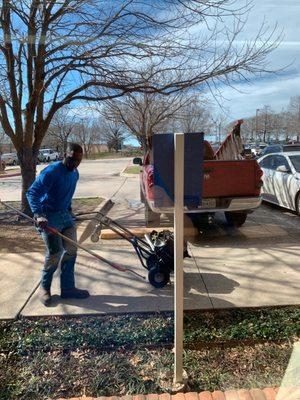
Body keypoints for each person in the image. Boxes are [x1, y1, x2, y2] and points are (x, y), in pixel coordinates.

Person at [26, 143, 90, 306]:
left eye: (78, 160)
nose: (74, 163)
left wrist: (69, 210)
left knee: (71, 250)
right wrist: (39, 215)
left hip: (64, 215)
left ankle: (68, 288)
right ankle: (45, 288)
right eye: (71, 159)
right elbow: (32, 192)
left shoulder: (75, 173)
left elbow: (66, 193)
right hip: (48, 216)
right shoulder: (51, 172)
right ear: (64, 155)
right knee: (55, 253)